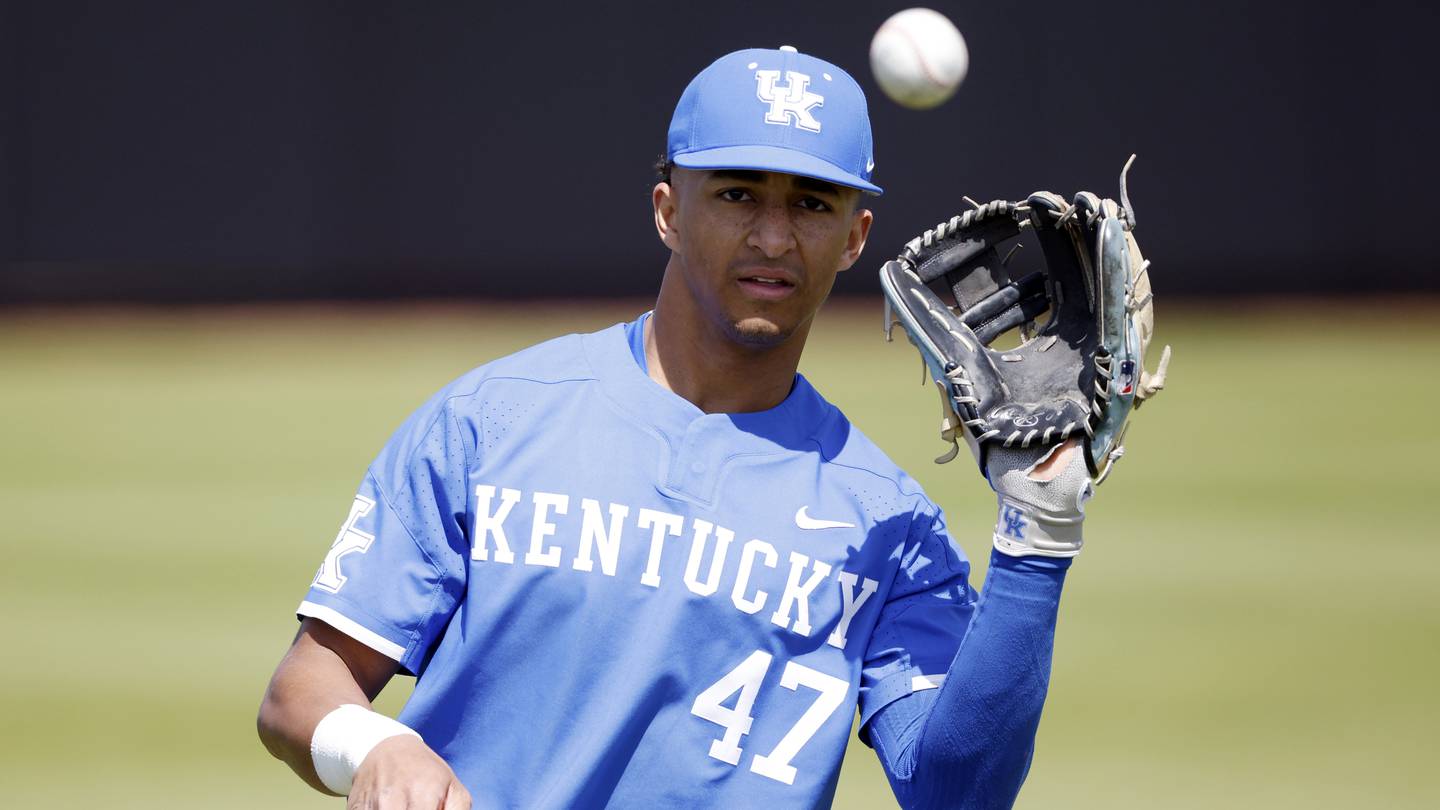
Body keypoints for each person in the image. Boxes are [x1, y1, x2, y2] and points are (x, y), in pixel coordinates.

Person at [258, 45, 1082, 810]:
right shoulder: (493, 422)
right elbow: (304, 690)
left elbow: (956, 794)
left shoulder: (887, 525)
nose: (772, 235)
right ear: (667, 211)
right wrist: (373, 747)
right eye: (736, 194)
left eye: (810, 203)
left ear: (853, 238)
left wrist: (1037, 541)